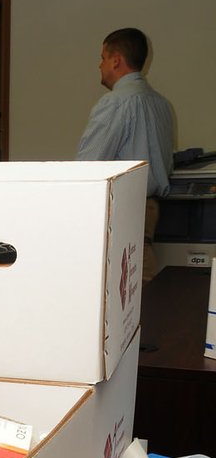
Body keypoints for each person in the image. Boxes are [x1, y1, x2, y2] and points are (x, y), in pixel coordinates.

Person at [76, 27, 174, 281]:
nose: (99, 65)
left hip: (123, 210)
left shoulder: (116, 103)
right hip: (149, 210)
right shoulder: (162, 105)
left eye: (102, 58)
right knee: (143, 290)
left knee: (122, 297)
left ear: (116, 60)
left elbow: (87, 167)